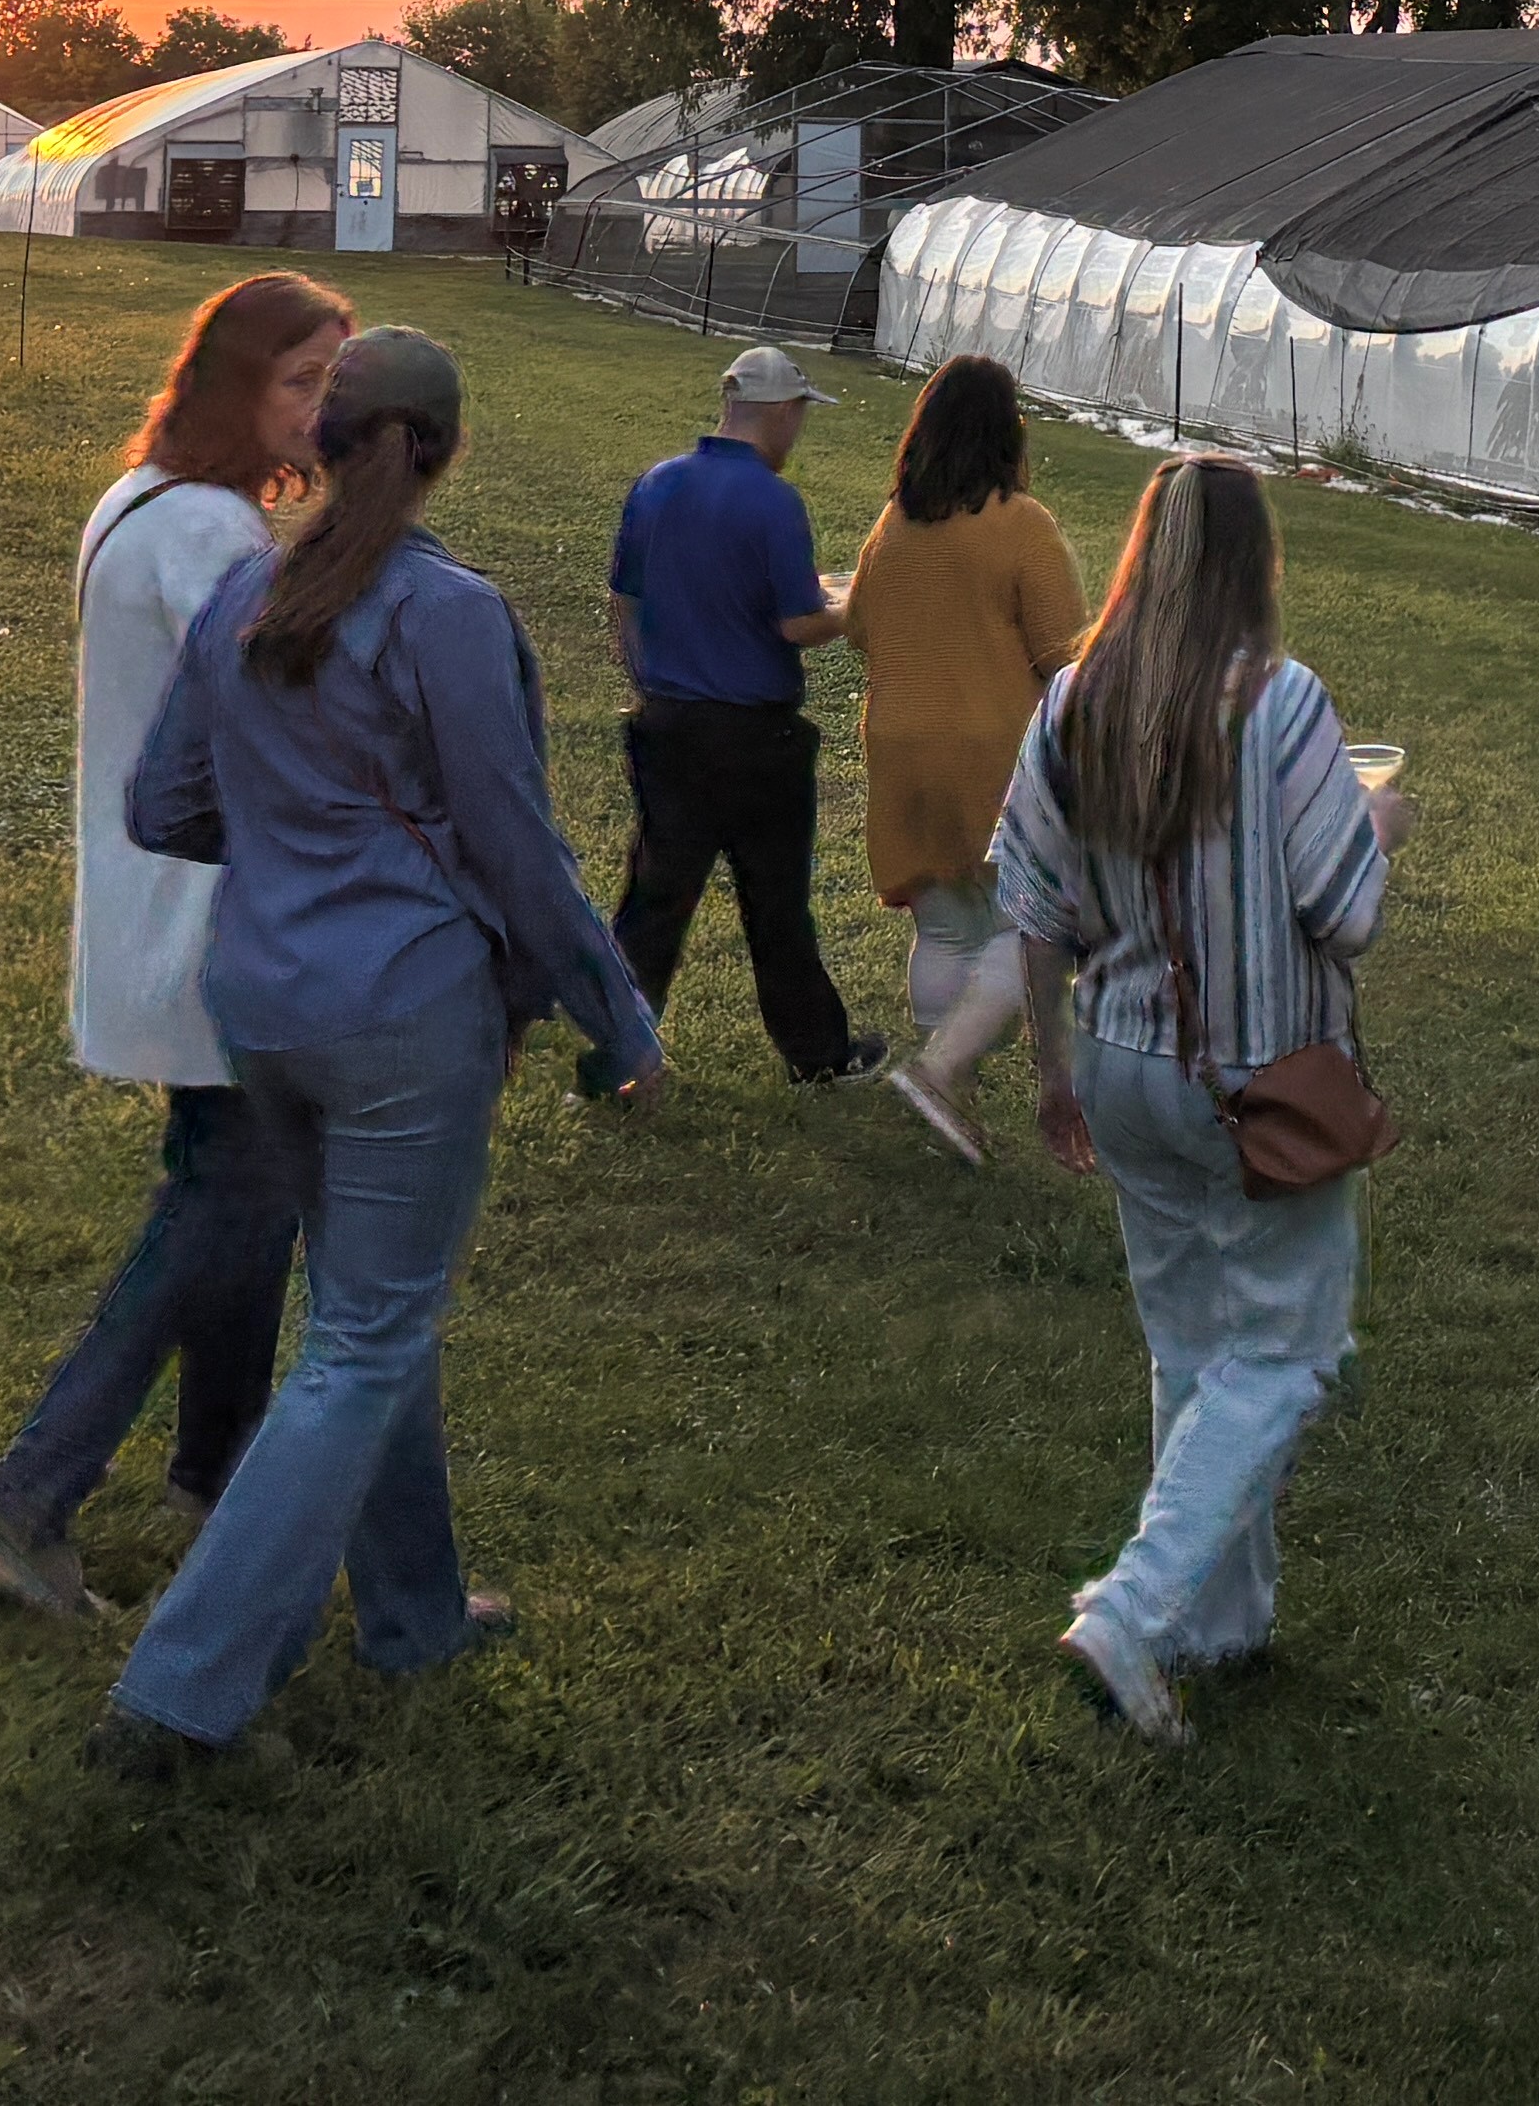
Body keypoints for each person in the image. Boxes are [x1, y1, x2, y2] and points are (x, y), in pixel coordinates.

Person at [101, 329, 667, 1766]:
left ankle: (412, 1614)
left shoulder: (245, 588)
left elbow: (163, 807)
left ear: (325, 444)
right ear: (441, 449)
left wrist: (297, 843)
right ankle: (182, 1689)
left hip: (265, 1009)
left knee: (366, 1311)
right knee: (363, 1336)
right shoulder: (446, 612)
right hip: (402, 1015)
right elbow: (515, 847)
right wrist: (619, 1014)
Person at [0, 270, 348, 1623]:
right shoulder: (212, 537)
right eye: (300, 385)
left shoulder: (145, 504)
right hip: (206, 916)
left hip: (157, 907)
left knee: (239, 1189)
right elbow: (272, 732)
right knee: (225, 1202)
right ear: (238, 389)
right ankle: (23, 1502)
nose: (322, 412)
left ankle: (213, 1474)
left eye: (335, 386)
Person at [993, 457, 1401, 1739]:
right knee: (1290, 1350)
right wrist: (1382, 833)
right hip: (1255, 1076)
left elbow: (1033, 906)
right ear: (1253, 567)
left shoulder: (1071, 705)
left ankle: (1221, 1625)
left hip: (1122, 1063)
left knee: (1192, 1346)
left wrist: (1053, 1071)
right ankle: (1136, 1607)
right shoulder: (1281, 709)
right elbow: (1347, 913)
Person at [597, 340, 877, 1083]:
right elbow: (797, 624)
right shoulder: (773, 500)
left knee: (655, 899)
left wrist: (646, 680)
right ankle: (817, 1055)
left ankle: (616, 1051)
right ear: (782, 412)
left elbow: (626, 599)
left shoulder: (656, 484)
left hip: (668, 723)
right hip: (756, 736)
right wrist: (854, 608)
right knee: (776, 904)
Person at [847, 354, 1088, 1166]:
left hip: (900, 752)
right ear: (1007, 432)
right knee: (1032, 925)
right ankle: (945, 1070)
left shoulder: (895, 524)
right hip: (991, 753)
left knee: (944, 926)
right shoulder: (1022, 524)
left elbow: (858, 625)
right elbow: (1065, 657)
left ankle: (949, 1099)